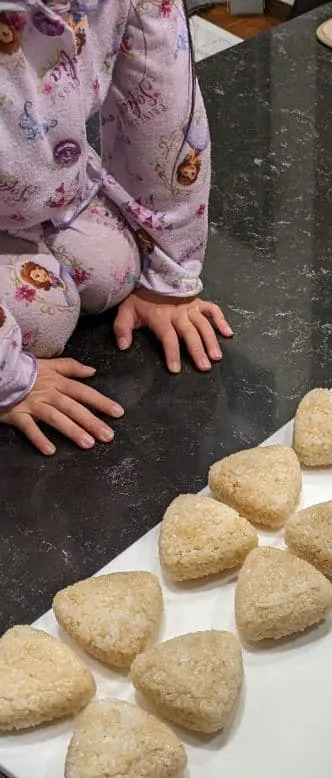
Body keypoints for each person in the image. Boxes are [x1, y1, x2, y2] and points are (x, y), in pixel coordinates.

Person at [0, 0, 232, 456]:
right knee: (43, 319)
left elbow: (161, 109)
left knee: (111, 270)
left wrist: (170, 275)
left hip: (49, 190)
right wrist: (8, 376)